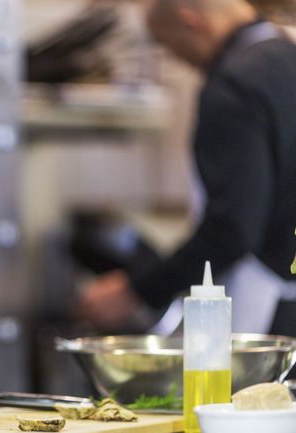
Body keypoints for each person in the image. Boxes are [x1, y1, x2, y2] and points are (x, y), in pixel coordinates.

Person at [77, 0, 296, 337]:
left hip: (267, 313)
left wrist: (138, 289)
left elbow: (232, 229)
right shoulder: (286, 57)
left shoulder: (234, 84)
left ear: (191, 23)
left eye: (166, 44)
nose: (176, 57)